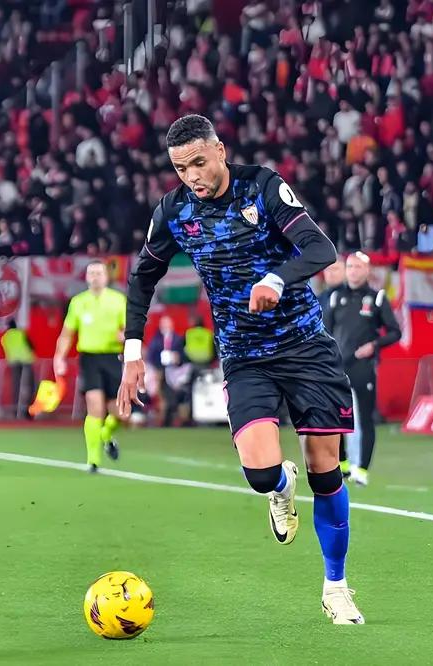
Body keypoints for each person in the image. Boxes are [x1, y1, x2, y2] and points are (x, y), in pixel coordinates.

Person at [117, 115, 363, 624]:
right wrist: (133, 354)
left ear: (220, 151)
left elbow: (321, 249)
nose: (192, 176)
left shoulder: (263, 187)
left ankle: (336, 587)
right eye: (181, 168)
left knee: (325, 472)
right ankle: (279, 489)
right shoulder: (174, 210)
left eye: (199, 162)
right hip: (245, 356)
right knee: (260, 473)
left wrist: (276, 278)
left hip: (305, 347)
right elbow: (142, 279)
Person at [323, 251, 401, 486]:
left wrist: (374, 345)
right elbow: (326, 332)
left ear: (367, 270)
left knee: (365, 418)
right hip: (338, 367)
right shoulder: (335, 297)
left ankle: (362, 469)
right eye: (350, 267)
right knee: (336, 418)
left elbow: (395, 332)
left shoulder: (376, 298)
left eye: (358, 267)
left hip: (363, 367)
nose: (353, 271)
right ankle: (343, 464)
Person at [54, 261, 124, 472]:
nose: (95, 276)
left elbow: (130, 329)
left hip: (112, 357)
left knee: (119, 413)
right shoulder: (78, 302)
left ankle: (106, 434)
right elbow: (67, 334)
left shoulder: (118, 300)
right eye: (91, 273)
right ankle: (93, 460)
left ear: (106, 277)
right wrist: (59, 357)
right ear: (86, 277)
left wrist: (125, 336)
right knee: (95, 408)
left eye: (99, 273)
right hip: (89, 358)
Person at [146, 315, 190, 427]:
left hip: (175, 372)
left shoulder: (178, 339)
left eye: (167, 324)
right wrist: (156, 369)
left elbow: (184, 357)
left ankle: (176, 418)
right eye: (163, 324)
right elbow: (151, 356)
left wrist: (177, 358)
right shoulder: (156, 340)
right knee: (164, 395)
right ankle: (164, 419)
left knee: (174, 396)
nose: (165, 327)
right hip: (160, 371)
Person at [1, 320, 36, 418]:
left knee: (17, 387)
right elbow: (31, 346)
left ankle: (16, 410)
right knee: (29, 386)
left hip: (14, 364)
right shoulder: (20, 333)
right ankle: (27, 411)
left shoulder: (5, 337)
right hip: (26, 362)